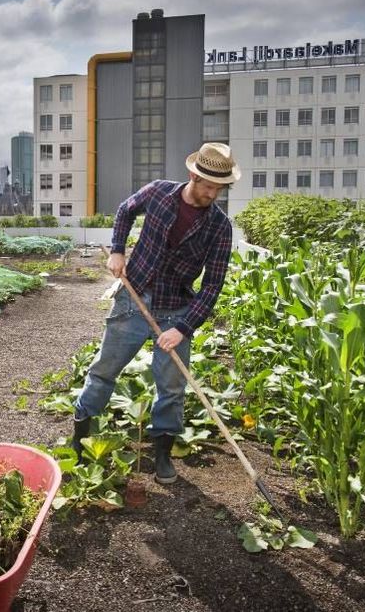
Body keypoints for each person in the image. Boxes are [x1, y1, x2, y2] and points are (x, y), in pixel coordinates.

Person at [72, 142, 238, 484]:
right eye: (207, 185)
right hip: (134, 299)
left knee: (172, 386)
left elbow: (212, 285)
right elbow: (124, 210)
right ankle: (79, 438)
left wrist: (184, 327)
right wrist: (117, 251)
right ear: (193, 174)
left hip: (175, 309)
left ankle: (162, 452)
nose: (212, 193)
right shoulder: (159, 193)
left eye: (219, 188)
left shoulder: (220, 227)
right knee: (104, 370)